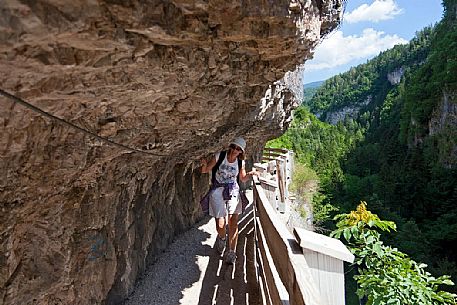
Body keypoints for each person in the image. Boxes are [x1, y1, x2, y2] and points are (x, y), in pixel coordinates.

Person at [200, 137, 258, 264]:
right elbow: (205, 170)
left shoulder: (239, 162)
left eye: (238, 149)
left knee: (233, 221)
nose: (234, 150)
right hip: (218, 189)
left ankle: (231, 252)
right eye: (233, 147)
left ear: (241, 152)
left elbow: (242, 179)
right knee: (220, 224)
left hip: (233, 190)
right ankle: (222, 238)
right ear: (230, 146)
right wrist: (204, 164)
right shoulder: (219, 156)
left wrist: (250, 174)